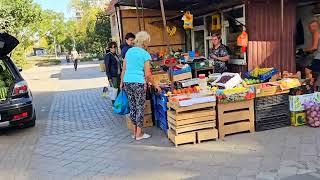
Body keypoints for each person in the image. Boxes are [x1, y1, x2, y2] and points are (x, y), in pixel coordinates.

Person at [120, 31, 161, 141]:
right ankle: (139, 134)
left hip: (127, 82)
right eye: (148, 41)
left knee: (133, 107)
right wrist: (156, 85)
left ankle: (135, 132)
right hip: (138, 82)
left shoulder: (129, 51)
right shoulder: (145, 54)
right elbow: (148, 74)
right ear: (144, 42)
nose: (148, 43)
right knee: (140, 107)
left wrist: (121, 82)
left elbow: (124, 68)